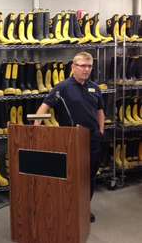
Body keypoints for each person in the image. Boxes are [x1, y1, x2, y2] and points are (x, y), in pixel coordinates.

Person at [34, 51, 105, 223]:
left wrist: (101, 130)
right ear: (73, 67)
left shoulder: (94, 88)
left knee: (90, 176)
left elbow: (100, 111)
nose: (86, 70)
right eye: (82, 66)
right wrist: (36, 129)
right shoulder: (62, 88)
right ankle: (67, 207)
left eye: (89, 66)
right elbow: (44, 108)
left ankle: (84, 208)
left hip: (93, 139)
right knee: (71, 176)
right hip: (71, 140)